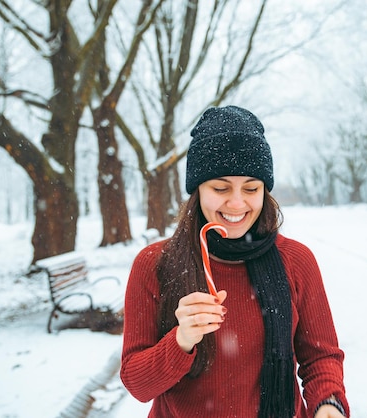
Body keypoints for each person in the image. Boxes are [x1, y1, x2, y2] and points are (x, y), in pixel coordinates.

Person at [120, 105, 349, 417]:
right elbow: (137, 383)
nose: (238, 203)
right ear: (196, 190)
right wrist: (181, 339)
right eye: (220, 187)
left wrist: (328, 404)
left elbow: (321, 358)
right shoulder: (154, 264)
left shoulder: (295, 260)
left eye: (251, 188)